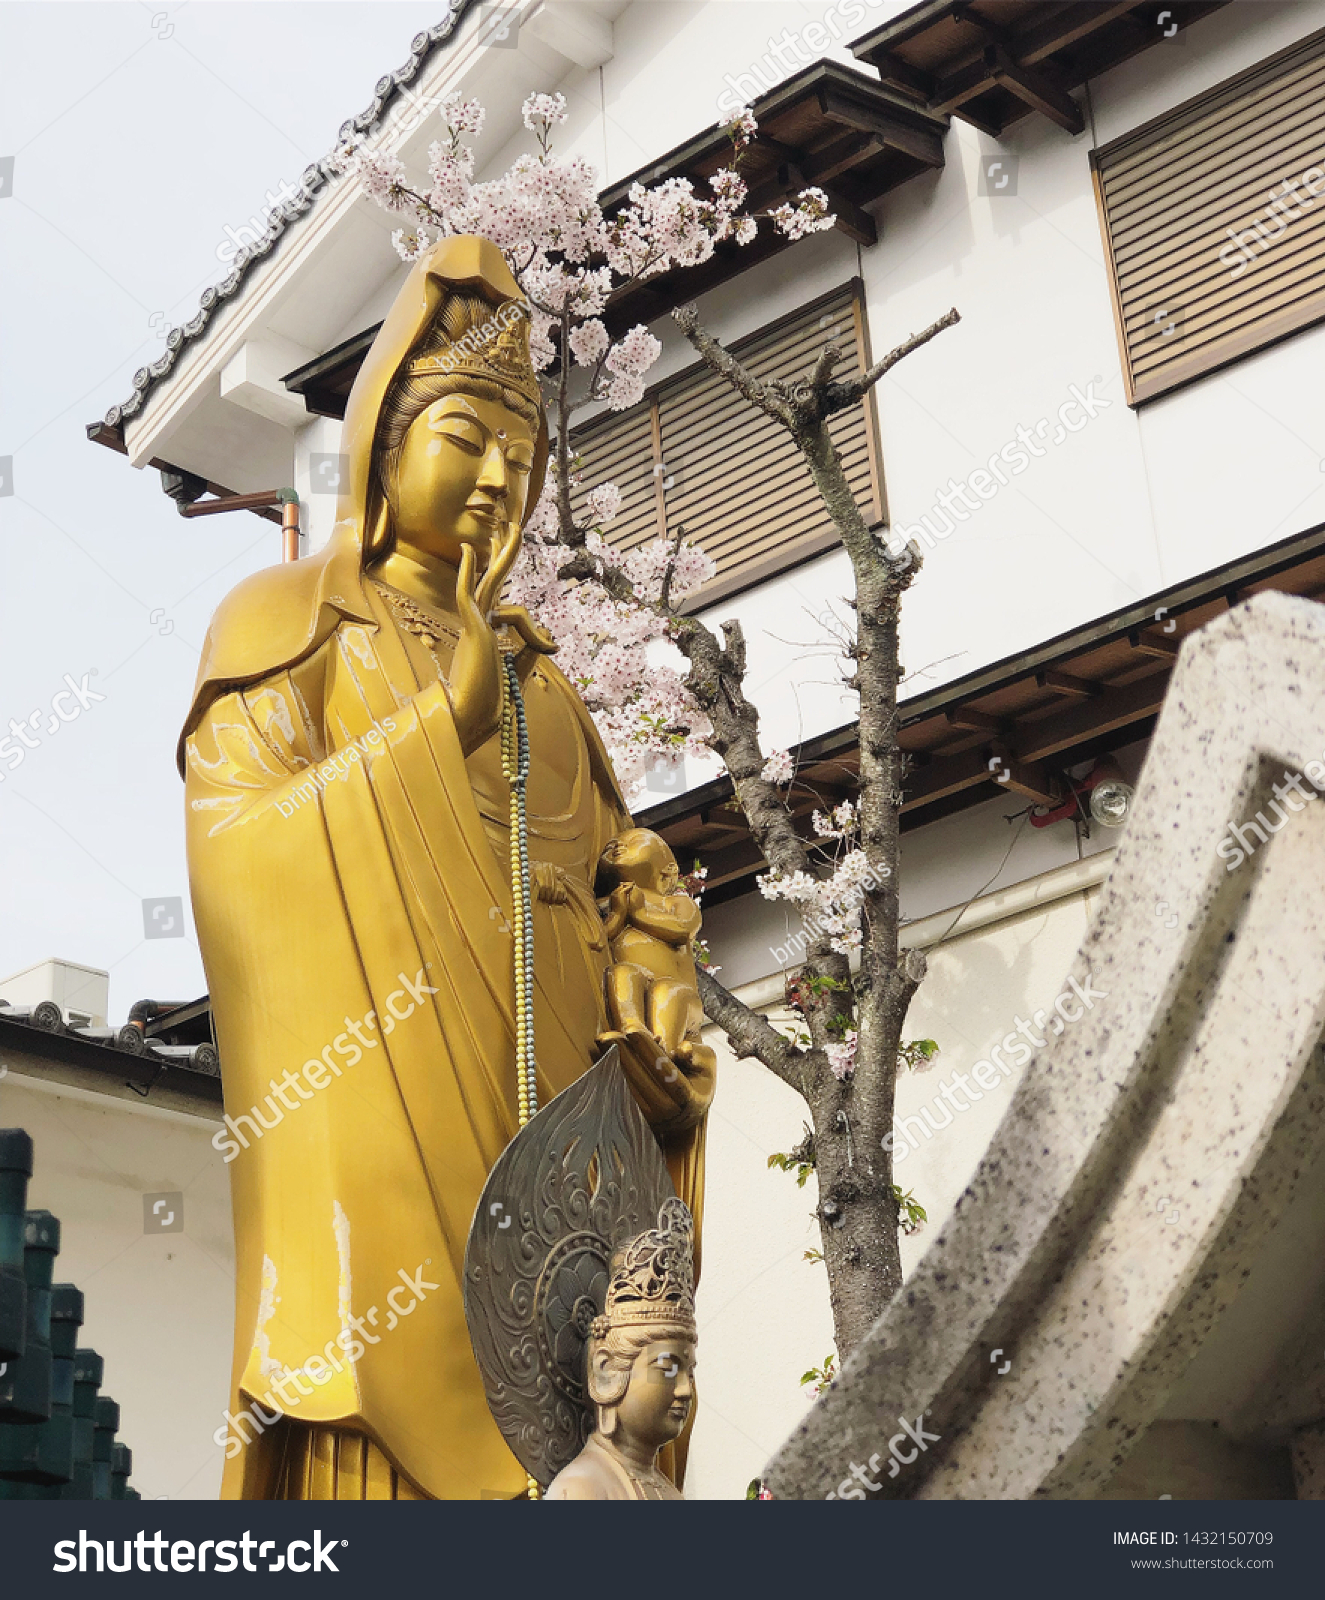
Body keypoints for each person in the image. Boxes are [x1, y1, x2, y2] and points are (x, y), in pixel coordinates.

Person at [181, 237, 710, 1500]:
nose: (494, 482)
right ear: (381, 444)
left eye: (520, 460)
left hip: (553, 1157)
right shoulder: (288, 620)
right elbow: (238, 857)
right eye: (465, 439)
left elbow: (626, 883)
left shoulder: (546, 688)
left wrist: (650, 987)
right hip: (385, 1143)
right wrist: (435, 730)